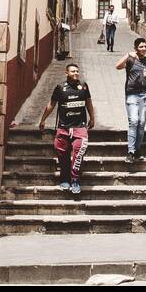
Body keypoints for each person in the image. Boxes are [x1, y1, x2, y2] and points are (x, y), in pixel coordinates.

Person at [38, 62, 94, 195]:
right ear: (66, 73)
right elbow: (51, 105)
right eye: (73, 71)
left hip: (80, 128)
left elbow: (89, 103)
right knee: (62, 156)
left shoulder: (84, 87)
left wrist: (92, 117)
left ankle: (75, 180)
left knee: (78, 154)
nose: (76, 73)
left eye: (77, 71)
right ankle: (64, 179)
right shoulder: (60, 88)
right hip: (63, 128)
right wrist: (43, 119)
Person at [115, 38, 146, 165]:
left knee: (141, 123)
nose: (143, 48)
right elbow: (118, 66)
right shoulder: (131, 59)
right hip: (132, 94)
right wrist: (127, 55)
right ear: (136, 48)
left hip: (144, 95)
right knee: (134, 121)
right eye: (141, 46)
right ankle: (131, 151)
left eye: (145, 46)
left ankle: (137, 150)